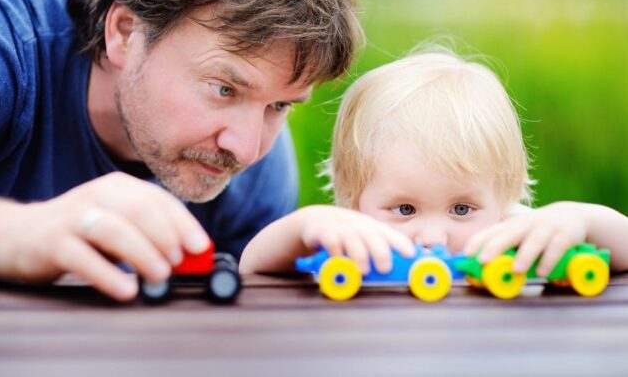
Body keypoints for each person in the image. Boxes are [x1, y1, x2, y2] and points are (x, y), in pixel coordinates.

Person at [0, 0, 361, 301]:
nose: (246, 149)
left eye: (279, 105)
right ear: (126, 32)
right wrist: (17, 233)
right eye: (223, 89)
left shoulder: (260, 170)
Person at [240, 48, 628, 277]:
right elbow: (250, 265)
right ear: (351, 198)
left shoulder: (513, 238)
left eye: (461, 209)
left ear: (505, 198)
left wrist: (582, 220)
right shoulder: (354, 243)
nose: (432, 237)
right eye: (404, 209)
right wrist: (304, 227)